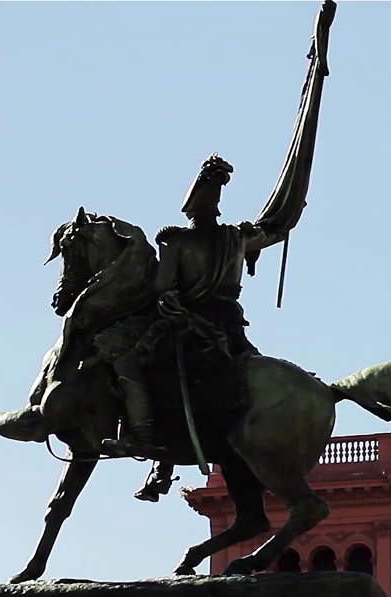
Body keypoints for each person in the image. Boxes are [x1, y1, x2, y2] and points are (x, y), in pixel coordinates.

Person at [99, 154, 286, 459]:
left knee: (128, 364)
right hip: (230, 325)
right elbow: (276, 230)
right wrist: (291, 206)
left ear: (190, 207)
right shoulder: (237, 236)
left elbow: (161, 287)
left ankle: (141, 436)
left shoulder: (175, 241)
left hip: (189, 323)